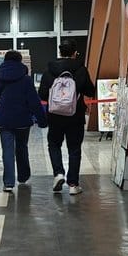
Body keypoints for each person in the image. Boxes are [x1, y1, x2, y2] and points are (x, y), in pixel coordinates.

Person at [39, 39, 96, 195]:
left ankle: (58, 173)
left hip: (55, 115)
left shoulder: (50, 70)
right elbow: (91, 92)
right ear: (74, 53)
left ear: (60, 52)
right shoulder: (81, 69)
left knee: (54, 144)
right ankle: (73, 184)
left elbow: (42, 94)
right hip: (75, 116)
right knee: (74, 149)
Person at [0, 50, 47, 192]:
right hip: (22, 120)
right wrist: (42, 120)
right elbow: (34, 102)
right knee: (22, 147)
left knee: (7, 150)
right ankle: (23, 176)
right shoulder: (26, 80)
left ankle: (8, 183)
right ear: (20, 62)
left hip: (3, 120)